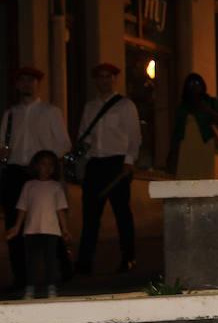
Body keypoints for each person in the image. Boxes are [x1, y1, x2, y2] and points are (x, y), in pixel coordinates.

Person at [1, 66, 70, 292]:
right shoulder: (10, 115)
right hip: (15, 171)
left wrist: (46, 164)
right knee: (15, 223)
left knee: (50, 221)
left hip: (42, 173)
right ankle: (21, 276)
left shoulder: (50, 111)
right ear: (17, 85)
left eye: (31, 81)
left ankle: (61, 269)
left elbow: (64, 143)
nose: (26, 85)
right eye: (22, 81)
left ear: (37, 84)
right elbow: (3, 146)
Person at [75, 63, 141, 275]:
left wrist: (129, 161)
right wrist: (82, 161)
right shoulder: (90, 107)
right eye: (100, 77)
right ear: (96, 80)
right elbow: (84, 137)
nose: (104, 80)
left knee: (122, 213)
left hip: (117, 164)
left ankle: (128, 258)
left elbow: (135, 136)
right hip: (95, 164)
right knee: (90, 216)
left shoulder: (125, 105)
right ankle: (84, 263)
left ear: (114, 79)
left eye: (108, 76)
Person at [5, 150, 70, 299]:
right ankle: (30, 287)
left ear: (55, 168)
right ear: (36, 166)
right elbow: (23, 208)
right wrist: (16, 227)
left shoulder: (56, 186)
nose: (47, 168)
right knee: (31, 261)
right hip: (31, 230)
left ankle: (51, 287)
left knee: (50, 261)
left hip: (51, 230)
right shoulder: (29, 185)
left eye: (50, 165)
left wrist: (65, 229)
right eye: (43, 164)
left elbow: (60, 210)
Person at [169, 72, 218, 179]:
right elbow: (176, 133)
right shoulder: (182, 108)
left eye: (197, 83)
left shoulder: (211, 102)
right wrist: (172, 154)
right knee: (186, 180)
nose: (194, 86)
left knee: (203, 180)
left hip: (204, 146)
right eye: (191, 84)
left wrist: (208, 111)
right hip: (186, 149)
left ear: (202, 85)